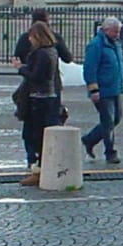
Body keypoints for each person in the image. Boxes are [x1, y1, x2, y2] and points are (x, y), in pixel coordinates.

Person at [12, 9, 73, 165]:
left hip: (36, 87)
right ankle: (41, 159)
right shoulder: (54, 40)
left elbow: (19, 57)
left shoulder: (30, 41)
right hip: (52, 85)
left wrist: (22, 67)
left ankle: (35, 158)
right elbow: (68, 58)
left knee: (34, 125)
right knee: (49, 121)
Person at [81, 17, 123, 165]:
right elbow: (90, 69)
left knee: (116, 119)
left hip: (115, 88)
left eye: (119, 31)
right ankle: (110, 152)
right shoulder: (96, 45)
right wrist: (93, 89)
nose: (118, 34)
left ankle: (89, 139)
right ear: (106, 30)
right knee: (108, 121)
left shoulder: (117, 44)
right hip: (102, 90)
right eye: (115, 31)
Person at [10, 21, 62, 185]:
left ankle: (39, 170)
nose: (30, 40)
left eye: (32, 37)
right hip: (49, 97)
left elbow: (37, 77)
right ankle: (40, 168)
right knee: (37, 135)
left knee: (35, 136)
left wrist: (20, 68)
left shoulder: (42, 53)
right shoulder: (52, 51)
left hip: (39, 99)